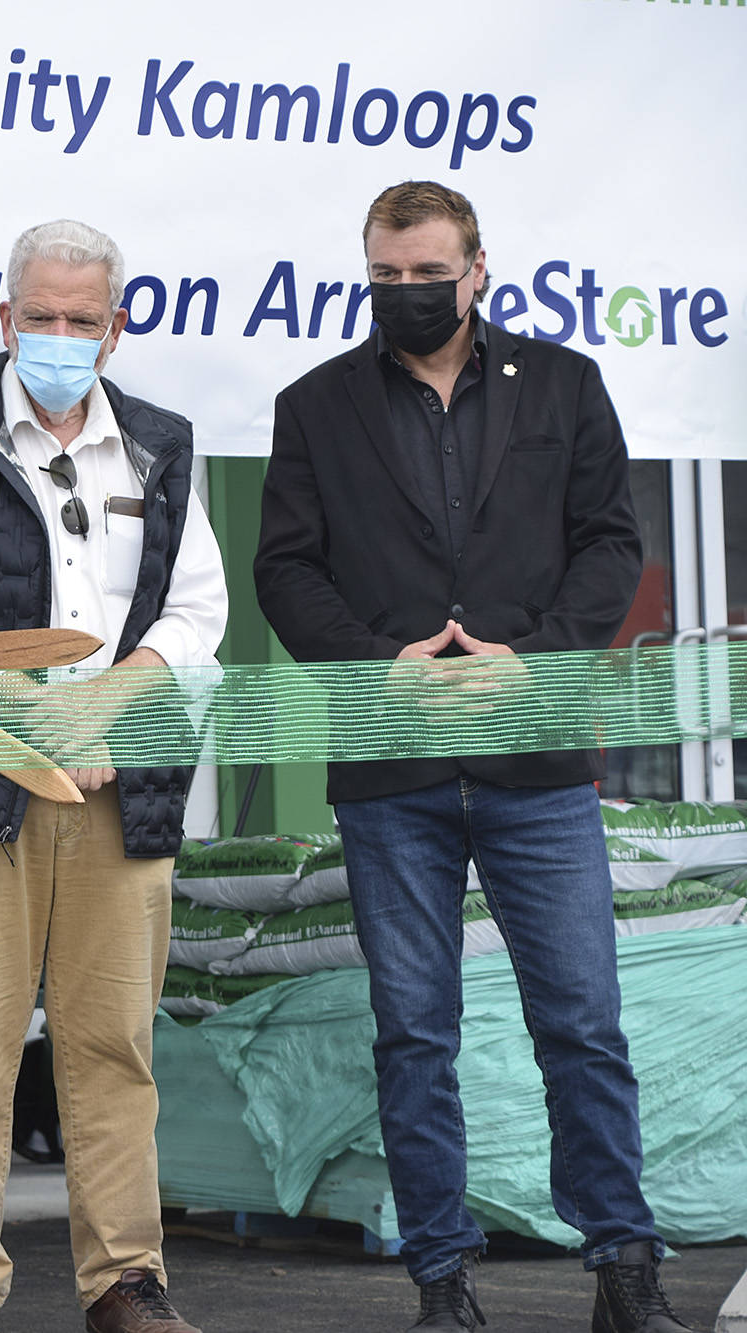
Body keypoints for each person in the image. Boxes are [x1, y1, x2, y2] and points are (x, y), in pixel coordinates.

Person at [254, 181, 699, 1333]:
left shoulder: (562, 384)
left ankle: (621, 1266)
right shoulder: (312, 405)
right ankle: (440, 1280)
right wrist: (373, 661)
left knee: (581, 1022)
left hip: (535, 760)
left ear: (478, 269)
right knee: (411, 1032)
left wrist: (538, 660)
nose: (405, 294)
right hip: (389, 769)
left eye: (425, 274)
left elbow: (609, 541)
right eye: (383, 277)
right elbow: (283, 569)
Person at [0, 219, 225, 1333]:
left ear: (115, 332)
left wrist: (112, 708)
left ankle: (125, 1281)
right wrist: (27, 725)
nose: (59, 336)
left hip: (118, 788)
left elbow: (196, 607)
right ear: (3, 315)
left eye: (82, 319)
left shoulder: (162, 441)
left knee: (112, 1049)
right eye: (41, 316)